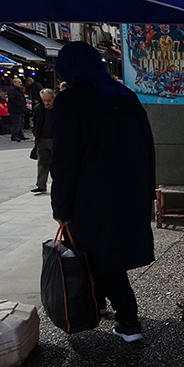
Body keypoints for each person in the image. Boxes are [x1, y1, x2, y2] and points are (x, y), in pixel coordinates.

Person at [51, 41, 156, 343]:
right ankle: (102, 306)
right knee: (108, 252)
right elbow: (148, 147)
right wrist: (147, 191)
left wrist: (61, 206)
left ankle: (128, 320)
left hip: (91, 196)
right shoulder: (126, 96)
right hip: (131, 191)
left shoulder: (71, 102)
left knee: (99, 254)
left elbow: (66, 159)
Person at [31, 88, 57, 193]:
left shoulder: (59, 109)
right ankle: (41, 184)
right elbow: (35, 123)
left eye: (49, 100)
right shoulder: (39, 109)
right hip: (42, 138)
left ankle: (58, 183)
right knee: (42, 162)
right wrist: (35, 135)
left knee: (56, 162)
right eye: (44, 100)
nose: (47, 103)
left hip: (55, 139)